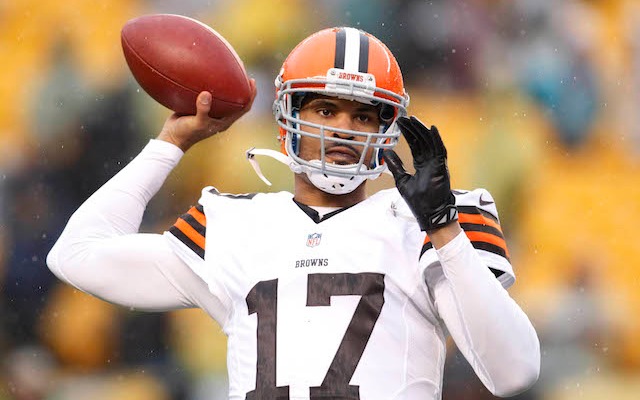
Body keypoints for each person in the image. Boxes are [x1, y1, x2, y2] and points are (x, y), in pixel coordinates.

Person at [47, 27, 540, 399]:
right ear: (289, 120)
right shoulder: (234, 225)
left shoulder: (428, 220)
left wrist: (444, 229)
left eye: (363, 114)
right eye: (326, 110)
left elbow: (514, 371)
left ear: (388, 128)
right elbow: (76, 255)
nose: (345, 128)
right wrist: (171, 142)